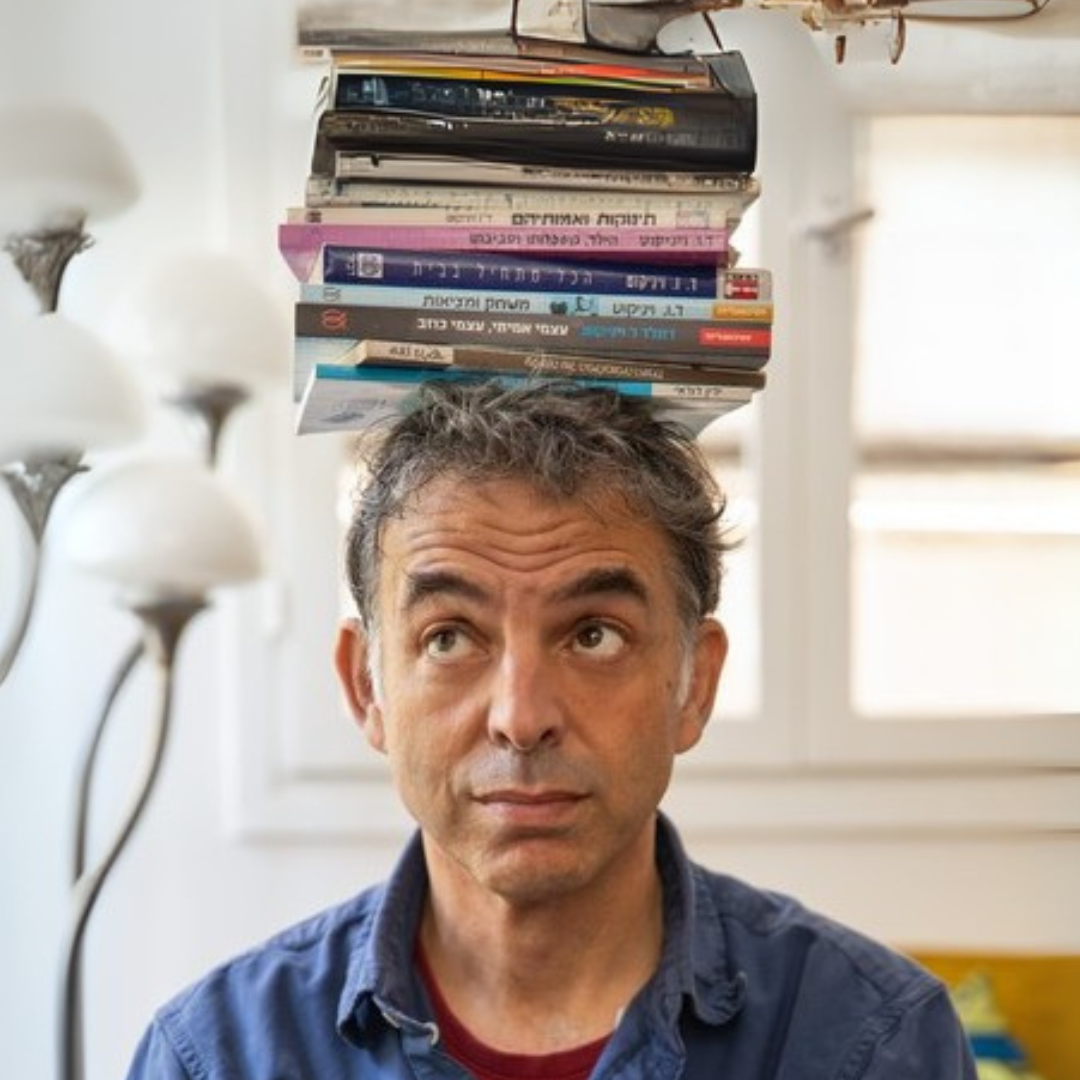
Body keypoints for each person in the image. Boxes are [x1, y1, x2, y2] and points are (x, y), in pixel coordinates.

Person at [126, 380, 976, 1079]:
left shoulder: (871, 1042)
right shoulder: (215, 1058)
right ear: (366, 687)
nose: (521, 717)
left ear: (695, 683)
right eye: (449, 638)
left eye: (594, 635)